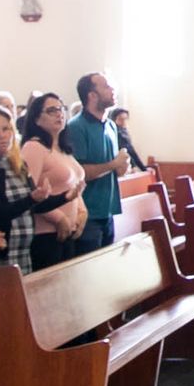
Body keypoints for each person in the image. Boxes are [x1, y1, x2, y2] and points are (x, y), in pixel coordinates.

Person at [20, 93, 85, 270]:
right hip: (47, 233)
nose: (59, 114)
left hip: (69, 230)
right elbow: (28, 191)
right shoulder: (34, 147)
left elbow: (75, 185)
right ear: (36, 119)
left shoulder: (63, 149)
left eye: (61, 108)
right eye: (51, 110)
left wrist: (82, 212)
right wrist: (59, 218)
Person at [65, 74, 128, 255]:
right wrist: (113, 163)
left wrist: (121, 167)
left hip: (108, 210)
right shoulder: (77, 126)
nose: (113, 90)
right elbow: (80, 172)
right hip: (88, 213)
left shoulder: (110, 125)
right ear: (92, 95)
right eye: (107, 86)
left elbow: (113, 169)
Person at [0, 105, 41, 274]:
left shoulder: (19, 164)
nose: (2, 135)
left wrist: (65, 197)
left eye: (6, 129)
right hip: (2, 251)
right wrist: (32, 199)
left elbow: (34, 204)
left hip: (26, 248)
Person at [111, 107, 147, 172]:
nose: (124, 122)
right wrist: (142, 168)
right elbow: (129, 151)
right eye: (121, 119)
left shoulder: (123, 131)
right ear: (114, 119)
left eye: (125, 119)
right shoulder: (119, 133)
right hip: (119, 166)